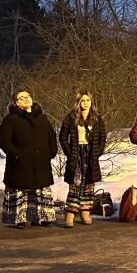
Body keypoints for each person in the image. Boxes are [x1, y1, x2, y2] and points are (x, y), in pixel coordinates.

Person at [0, 90, 58, 228]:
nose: (26, 99)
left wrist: (51, 152)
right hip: (19, 163)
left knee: (40, 189)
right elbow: (4, 140)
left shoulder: (42, 117)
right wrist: (16, 154)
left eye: (28, 96)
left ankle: (42, 217)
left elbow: (51, 136)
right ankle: (19, 218)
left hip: (41, 162)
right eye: (22, 98)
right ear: (16, 102)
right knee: (20, 190)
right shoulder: (11, 119)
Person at [59, 92, 107, 228]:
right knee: (75, 184)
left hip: (90, 154)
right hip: (76, 154)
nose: (85, 103)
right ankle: (70, 215)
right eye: (82, 101)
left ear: (91, 102)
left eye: (87, 100)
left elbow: (102, 136)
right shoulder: (71, 117)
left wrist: (98, 151)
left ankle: (85, 213)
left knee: (88, 184)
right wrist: (69, 152)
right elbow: (63, 136)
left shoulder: (97, 118)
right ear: (78, 103)